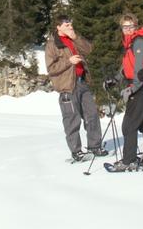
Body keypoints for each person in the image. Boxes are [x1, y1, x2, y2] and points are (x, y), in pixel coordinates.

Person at [45, 15, 108, 161]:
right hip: (67, 86)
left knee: (92, 115)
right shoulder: (52, 44)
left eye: (71, 24)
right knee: (72, 119)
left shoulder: (74, 39)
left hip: (82, 82)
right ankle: (76, 151)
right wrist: (69, 61)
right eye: (67, 25)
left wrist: (76, 37)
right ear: (58, 27)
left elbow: (89, 49)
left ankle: (95, 146)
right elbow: (51, 68)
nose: (70, 27)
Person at [107, 12, 143, 170]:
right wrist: (115, 79)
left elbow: (140, 69)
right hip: (142, 86)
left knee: (129, 124)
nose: (127, 29)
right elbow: (127, 68)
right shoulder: (130, 43)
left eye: (130, 26)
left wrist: (131, 89)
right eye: (125, 27)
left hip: (141, 86)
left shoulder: (138, 42)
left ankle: (129, 160)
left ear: (135, 26)